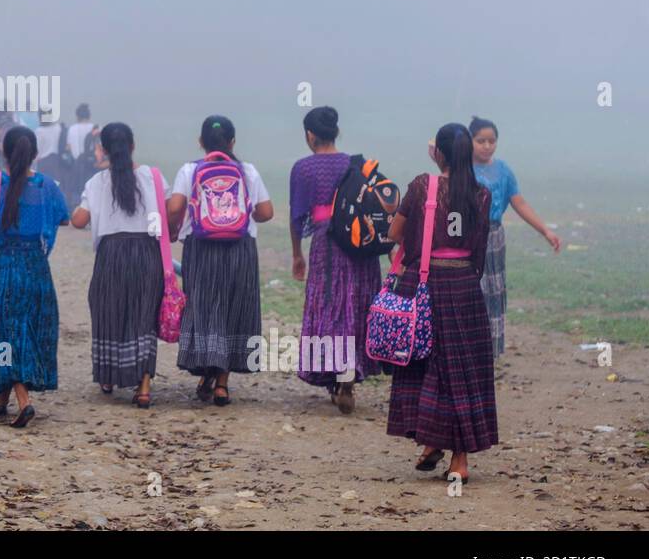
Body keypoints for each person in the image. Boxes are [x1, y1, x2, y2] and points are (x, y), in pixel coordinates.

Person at [386, 123, 497, 485]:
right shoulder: (481, 194)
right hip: (464, 285)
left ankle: (434, 441)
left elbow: (395, 235)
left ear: (441, 154)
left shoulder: (422, 186)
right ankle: (456, 459)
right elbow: (479, 248)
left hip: (426, 285)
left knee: (424, 363)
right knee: (461, 371)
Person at [166, 116, 273, 406]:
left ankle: (206, 371)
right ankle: (222, 383)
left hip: (201, 248)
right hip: (240, 249)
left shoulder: (190, 170)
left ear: (200, 142)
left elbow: (175, 207)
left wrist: (173, 227)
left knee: (204, 308)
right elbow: (266, 212)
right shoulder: (246, 171)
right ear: (232, 142)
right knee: (233, 309)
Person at [0, 126, 70, 428]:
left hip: (5, 266)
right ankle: (1, 397)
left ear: (4, 151)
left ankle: (23, 401)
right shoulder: (46, 185)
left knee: (9, 334)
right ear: (35, 153)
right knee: (21, 331)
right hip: (37, 266)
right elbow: (63, 218)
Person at [288, 106, 382, 413]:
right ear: (335, 132)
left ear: (310, 135)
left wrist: (296, 254)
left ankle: (338, 373)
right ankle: (346, 377)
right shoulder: (358, 164)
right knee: (355, 306)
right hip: (359, 244)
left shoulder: (303, 168)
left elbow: (297, 216)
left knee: (330, 307)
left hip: (326, 246)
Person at [70, 122, 163, 407]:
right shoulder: (153, 177)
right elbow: (169, 211)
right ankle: (143, 386)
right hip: (147, 252)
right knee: (143, 316)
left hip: (111, 255)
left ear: (103, 150)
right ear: (133, 146)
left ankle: (108, 376)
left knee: (108, 312)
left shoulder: (96, 182)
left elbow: (78, 221)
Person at [469, 116, 561, 357]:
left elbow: (519, 202)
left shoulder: (503, 170)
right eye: (481, 141)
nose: (487, 146)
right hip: (467, 237)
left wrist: (545, 231)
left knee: (494, 290)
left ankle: (490, 349)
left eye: (492, 141)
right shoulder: (461, 169)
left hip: (495, 237)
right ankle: (469, 348)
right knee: (472, 290)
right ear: (470, 142)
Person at [62, 103, 98, 210]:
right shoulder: (95, 128)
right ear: (89, 116)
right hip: (92, 164)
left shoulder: (72, 128)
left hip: (76, 163)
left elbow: (68, 147)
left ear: (77, 116)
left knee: (77, 189)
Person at [34, 108, 66, 179]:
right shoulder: (58, 128)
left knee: (43, 187)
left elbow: (37, 151)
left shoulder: (39, 131)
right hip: (56, 162)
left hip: (43, 163)